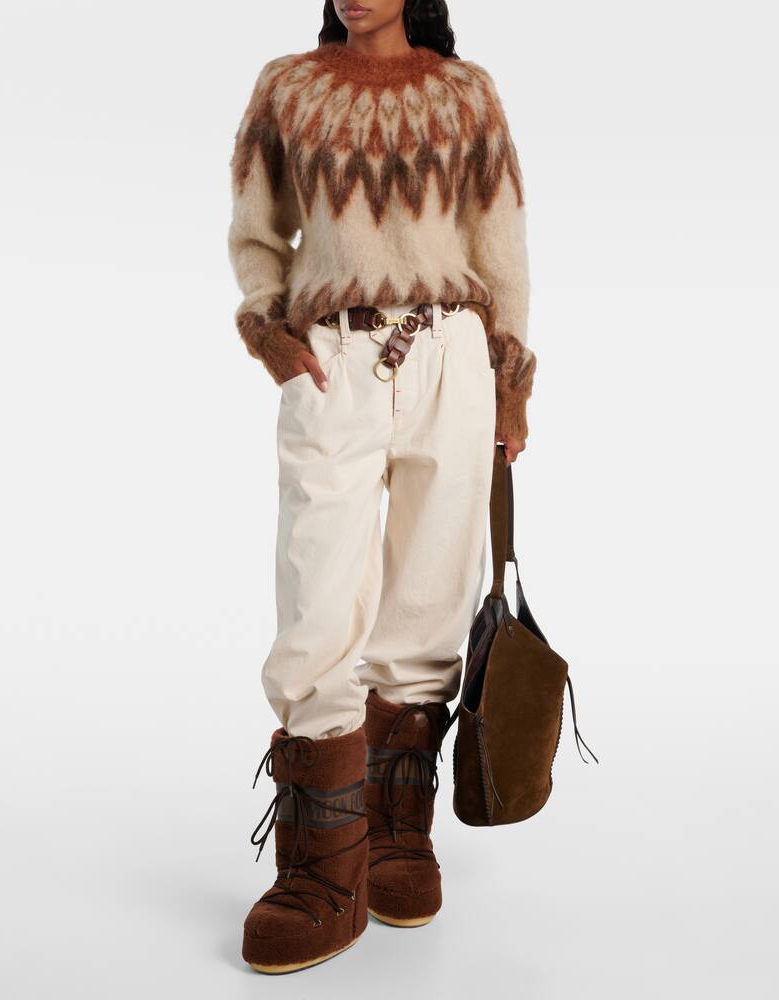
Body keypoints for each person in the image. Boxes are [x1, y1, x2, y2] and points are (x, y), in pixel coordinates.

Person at [228, 0, 534, 973]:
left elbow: (500, 245)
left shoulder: (465, 94)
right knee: (316, 600)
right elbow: (257, 230)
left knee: (429, 600)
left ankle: (396, 834)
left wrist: (509, 382)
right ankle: (320, 872)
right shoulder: (289, 87)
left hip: (453, 357)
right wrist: (271, 331)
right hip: (335, 360)